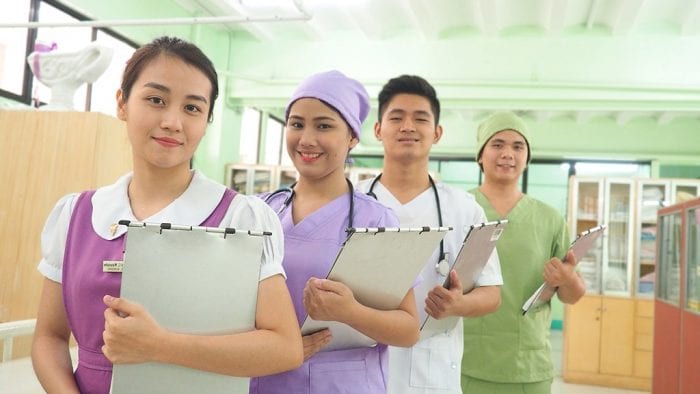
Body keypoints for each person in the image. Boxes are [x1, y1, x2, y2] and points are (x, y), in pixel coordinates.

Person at [31, 36, 303, 394]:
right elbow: (49, 337)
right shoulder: (76, 215)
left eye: (192, 108)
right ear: (122, 103)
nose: (173, 122)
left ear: (206, 121)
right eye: (156, 100)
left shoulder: (242, 219)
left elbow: (284, 347)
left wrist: (160, 345)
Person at [250, 70, 420, 394]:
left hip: (343, 385)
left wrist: (351, 312)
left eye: (324, 126)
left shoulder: (374, 220)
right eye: (297, 124)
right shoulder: (259, 211)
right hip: (263, 382)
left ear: (352, 137)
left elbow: (409, 330)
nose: (307, 139)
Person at [356, 74, 503, 394]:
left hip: (432, 371)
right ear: (378, 130)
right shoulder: (351, 203)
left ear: (437, 133)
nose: (408, 126)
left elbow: (492, 293)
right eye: (396, 117)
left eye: (420, 118)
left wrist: (458, 305)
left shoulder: (465, 210)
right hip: (358, 366)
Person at [461, 111, 586, 393]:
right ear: (480, 155)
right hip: (465, 360)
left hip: (527, 365)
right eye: (497, 144)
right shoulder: (461, 208)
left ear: (526, 159)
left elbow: (573, 295)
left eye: (518, 147)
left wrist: (566, 278)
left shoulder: (549, 218)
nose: (508, 153)